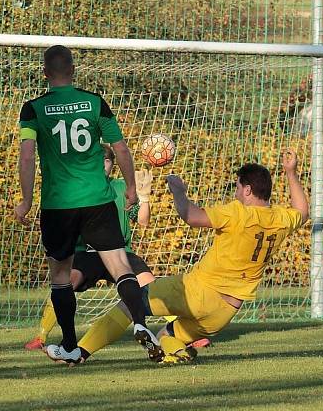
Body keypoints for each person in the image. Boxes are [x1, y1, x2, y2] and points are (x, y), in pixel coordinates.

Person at [54, 150, 308, 365]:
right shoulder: (281, 219)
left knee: (130, 303)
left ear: (248, 190)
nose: (236, 192)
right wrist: (291, 172)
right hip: (226, 311)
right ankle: (177, 354)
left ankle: (78, 352)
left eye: (238, 187)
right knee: (166, 332)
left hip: (197, 291)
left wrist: (178, 190)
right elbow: (302, 211)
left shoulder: (238, 213)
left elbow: (190, 216)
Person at [14, 44, 159, 363]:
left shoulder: (33, 108)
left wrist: (25, 200)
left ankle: (68, 343)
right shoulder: (95, 103)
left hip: (58, 205)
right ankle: (140, 323)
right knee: (121, 267)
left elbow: (27, 156)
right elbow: (120, 149)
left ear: (45, 73)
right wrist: (132, 188)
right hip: (98, 200)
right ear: (74, 70)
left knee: (61, 276)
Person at [24, 145, 155, 350]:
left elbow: (143, 220)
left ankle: (178, 330)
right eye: (98, 160)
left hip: (120, 252)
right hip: (87, 253)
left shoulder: (122, 187)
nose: (103, 164)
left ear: (112, 164)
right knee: (67, 281)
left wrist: (144, 197)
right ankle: (41, 336)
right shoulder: (80, 189)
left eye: (107, 160)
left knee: (149, 285)